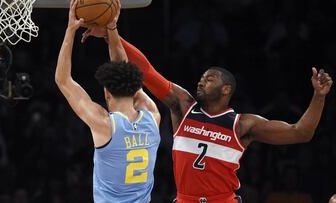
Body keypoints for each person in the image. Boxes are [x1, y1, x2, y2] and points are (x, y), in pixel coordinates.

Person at [82, 17, 333, 202]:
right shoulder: (183, 106)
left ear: (226, 90)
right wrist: (111, 34)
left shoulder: (243, 124)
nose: (201, 81)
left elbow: (301, 132)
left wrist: (319, 97)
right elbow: (146, 71)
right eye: (202, 77)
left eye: (210, 78)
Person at [55, 0, 161, 202]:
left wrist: (71, 29)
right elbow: (124, 69)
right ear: (134, 88)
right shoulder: (152, 118)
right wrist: (110, 29)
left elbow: (63, 80)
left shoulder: (105, 125)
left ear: (106, 93)